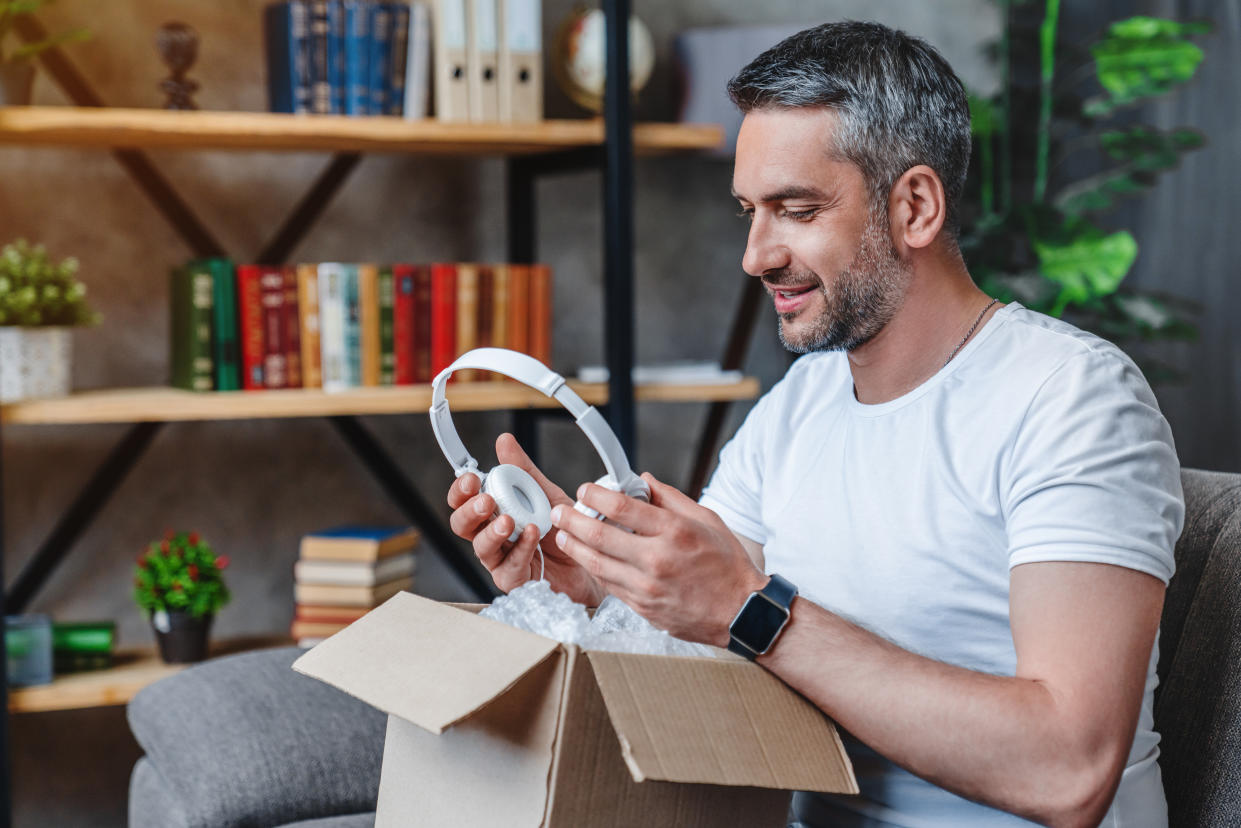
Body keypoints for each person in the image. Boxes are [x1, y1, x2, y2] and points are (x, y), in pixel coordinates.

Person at [446, 21, 1183, 828]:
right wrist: (581, 591)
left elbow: (1068, 769)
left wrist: (752, 608)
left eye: (795, 210)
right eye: (749, 213)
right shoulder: (799, 406)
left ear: (915, 206)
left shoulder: (1071, 399)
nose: (756, 255)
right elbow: (704, 636)